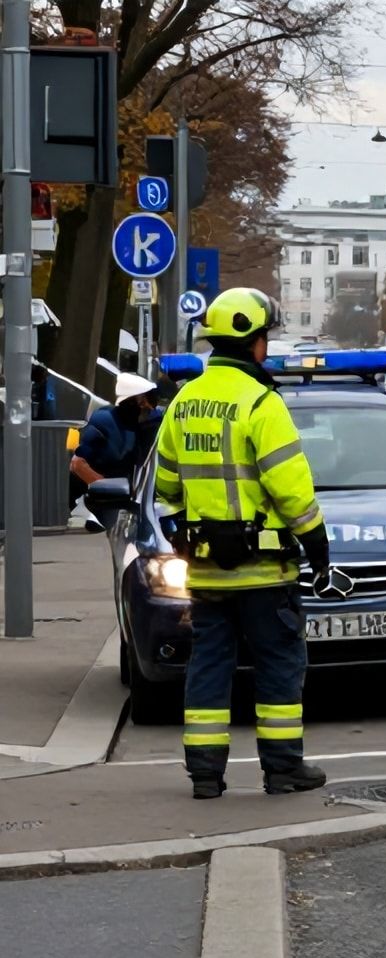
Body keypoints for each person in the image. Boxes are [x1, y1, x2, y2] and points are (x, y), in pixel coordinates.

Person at [152, 287, 336, 800]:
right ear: (254, 341)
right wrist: (317, 546)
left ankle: (205, 774)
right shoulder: (261, 402)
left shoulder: (184, 401)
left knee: (209, 664)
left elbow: (165, 487)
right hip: (265, 574)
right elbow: (291, 490)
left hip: (206, 571)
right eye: (265, 338)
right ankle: (283, 769)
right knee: (279, 665)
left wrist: (183, 533)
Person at [70, 372, 164, 531]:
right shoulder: (104, 421)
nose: (150, 407)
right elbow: (78, 464)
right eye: (145, 401)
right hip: (109, 504)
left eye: (152, 399)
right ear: (131, 403)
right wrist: (104, 486)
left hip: (144, 501)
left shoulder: (153, 423)